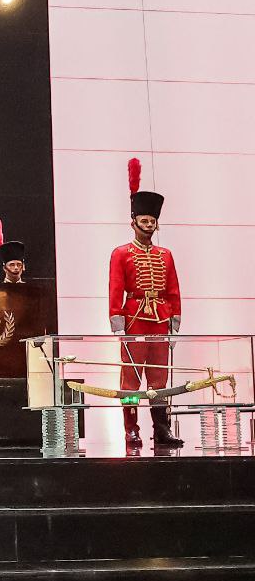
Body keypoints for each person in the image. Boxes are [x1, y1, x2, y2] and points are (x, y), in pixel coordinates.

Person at [110, 157, 183, 450]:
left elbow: (174, 290)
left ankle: (161, 429)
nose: (149, 224)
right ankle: (131, 430)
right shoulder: (120, 253)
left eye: (152, 221)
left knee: (159, 379)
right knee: (131, 379)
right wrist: (117, 322)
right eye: (144, 220)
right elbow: (116, 289)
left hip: (160, 320)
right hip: (135, 320)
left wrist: (174, 323)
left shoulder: (166, 255)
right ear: (134, 222)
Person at [0, 216, 26, 284]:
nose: (16, 268)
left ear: (23, 267)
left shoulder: (31, 288)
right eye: (12, 265)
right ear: (4, 268)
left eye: (19, 265)